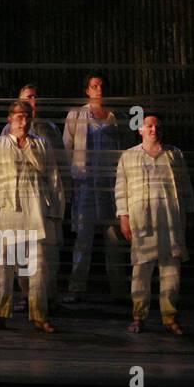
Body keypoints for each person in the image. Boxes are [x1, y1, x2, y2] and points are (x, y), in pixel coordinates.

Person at [0, 100, 65, 332]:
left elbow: (54, 178)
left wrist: (56, 211)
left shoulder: (41, 143)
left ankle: (39, 314)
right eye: (19, 117)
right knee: (5, 266)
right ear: (9, 119)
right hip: (8, 210)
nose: (24, 121)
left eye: (27, 117)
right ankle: (0, 314)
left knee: (38, 266)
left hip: (37, 209)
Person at [115, 114, 194, 335]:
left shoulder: (174, 154)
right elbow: (122, 190)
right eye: (148, 126)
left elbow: (186, 188)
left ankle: (170, 316)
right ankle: (138, 316)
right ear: (140, 130)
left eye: (157, 126)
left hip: (170, 219)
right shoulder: (129, 157)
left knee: (171, 270)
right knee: (141, 269)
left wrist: (188, 216)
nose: (153, 130)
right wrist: (124, 217)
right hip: (142, 220)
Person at [62, 73, 127, 303]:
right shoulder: (77, 115)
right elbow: (67, 149)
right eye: (94, 86)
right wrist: (75, 178)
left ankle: (119, 290)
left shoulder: (115, 117)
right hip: (86, 187)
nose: (99, 89)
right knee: (83, 240)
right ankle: (76, 288)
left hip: (110, 187)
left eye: (102, 85)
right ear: (87, 90)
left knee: (114, 242)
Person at [1, 84, 65, 308]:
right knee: (19, 253)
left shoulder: (49, 131)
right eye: (28, 97)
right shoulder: (4, 134)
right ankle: (26, 295)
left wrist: (59, 203)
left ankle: (47, 299)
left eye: (35, 97)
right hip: (16, 202)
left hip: (41, 202)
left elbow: (57, 169)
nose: (32, 100)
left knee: (46, 253)